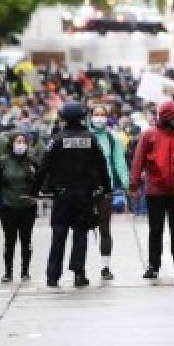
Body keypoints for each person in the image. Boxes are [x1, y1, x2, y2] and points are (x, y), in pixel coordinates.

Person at [38, 103, 111, 288]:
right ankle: (79, 274)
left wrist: (35, 189)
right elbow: (102, 166)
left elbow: (43, 167)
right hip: (84, 196)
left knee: (59, 234)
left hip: (62, 196)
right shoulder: (90, 139)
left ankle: (53, 276)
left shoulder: (57, 140)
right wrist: (107, 188)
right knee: (80, 234)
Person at [129, 100, 174, 280]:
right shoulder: (149, 134)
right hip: (155, 192)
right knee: (155, 230)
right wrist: (133, 185)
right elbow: (138, 160)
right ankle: (153, 265)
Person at [0, 131, 39, 282]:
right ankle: (8, 272)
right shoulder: (2, 163)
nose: (21, 144)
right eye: (18, 141)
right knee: (9, 241)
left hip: (28, 207)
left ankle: (25, 272)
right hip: (8, 207)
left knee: (26, 240)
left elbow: (43, 180)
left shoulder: (32, 162)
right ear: (11, 143)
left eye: (23, 141)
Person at [89, 104, 130, 280]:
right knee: (81, 230)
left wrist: (128, 185)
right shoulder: (85, 137)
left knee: (104, 229)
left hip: (105, 190)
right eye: (96, 114)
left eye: (102, 114)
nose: (99, 117)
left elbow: (120, 164)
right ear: (90, 117)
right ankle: (79, 269)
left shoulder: (113, 139)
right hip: (84, 190)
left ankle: (105, 267)